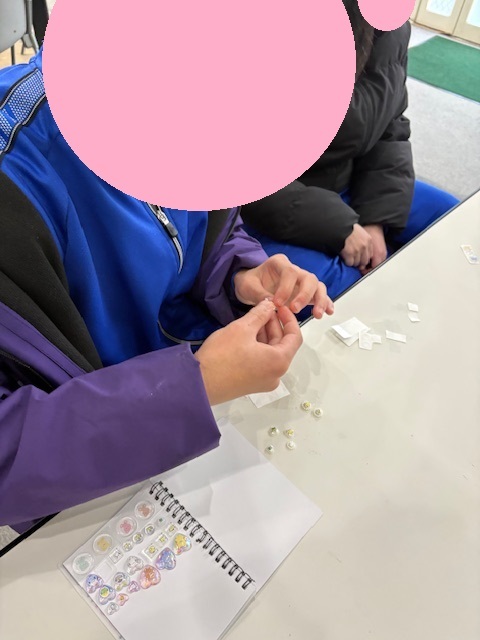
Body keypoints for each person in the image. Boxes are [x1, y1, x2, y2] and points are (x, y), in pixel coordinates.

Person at [0, 50, 334, 530]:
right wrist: (193, 385)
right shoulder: (22, 171)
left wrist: (238, 273)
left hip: (163, 415)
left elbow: (197, 229)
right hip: (77, 491)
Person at [241, 0, 459, 301]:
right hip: (274, 201)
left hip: (349, 180)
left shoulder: (392, 25)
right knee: (346, 295)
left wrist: (378, 218)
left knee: (452, 224)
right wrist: (337, 225)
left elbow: (390, 128)